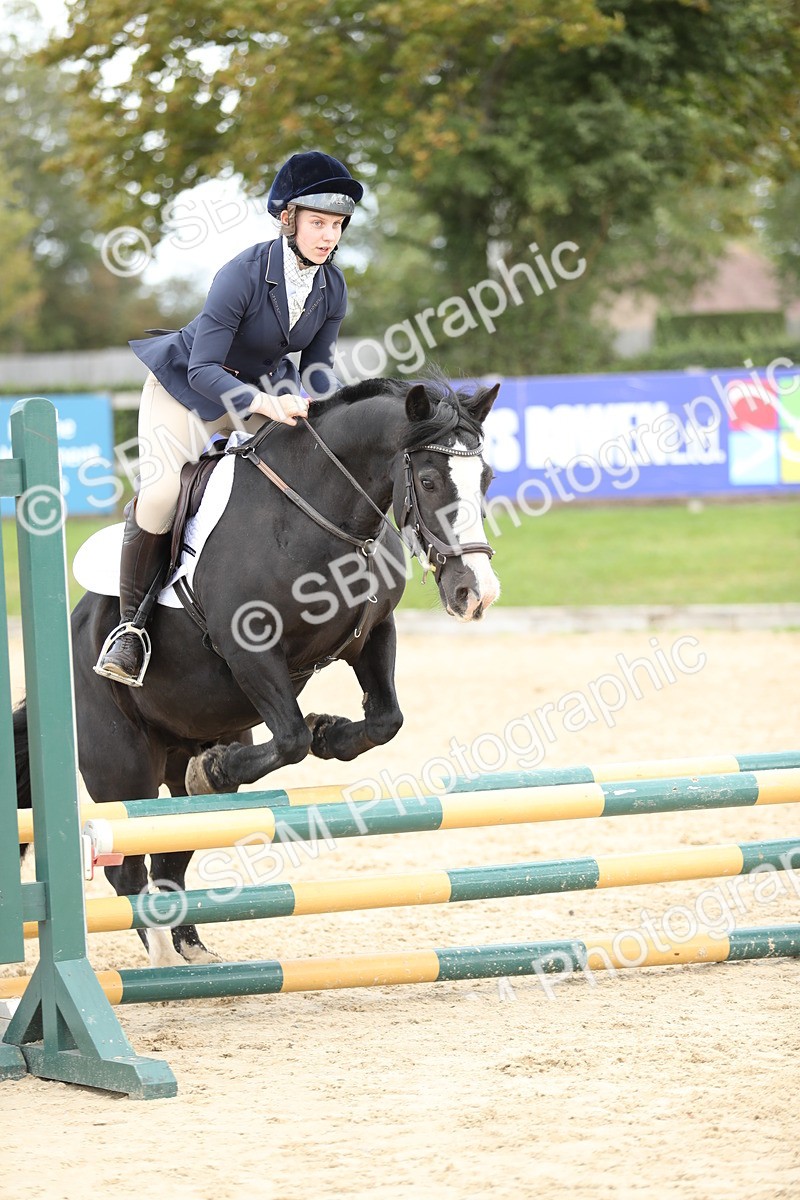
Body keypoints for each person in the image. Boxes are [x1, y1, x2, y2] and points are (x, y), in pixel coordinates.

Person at [94, 150, 364, 686]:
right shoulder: (241, 274)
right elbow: (202, 369)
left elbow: (317, 368)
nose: (328, 236)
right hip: (187, 389)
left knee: (307, 469)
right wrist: (264, 404)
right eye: (318, 223)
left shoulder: (331, 287)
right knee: (161, 495)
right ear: (288, 219)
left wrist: (321, 409)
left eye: (336, 226)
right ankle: (131, 629)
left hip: (262, 389)